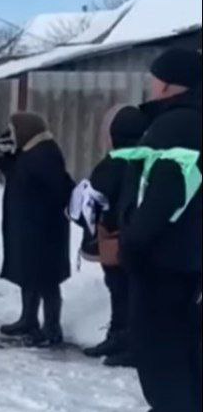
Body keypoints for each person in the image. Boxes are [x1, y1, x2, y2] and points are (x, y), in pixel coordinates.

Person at [114, 47, 201, 412]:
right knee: (184, 329)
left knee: (156, 332)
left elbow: (165, 191)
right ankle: (188, 405)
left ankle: (171, 411)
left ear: (166, 83)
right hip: (188, 251)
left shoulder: (175, 126)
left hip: (165, 251)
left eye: (154, 78)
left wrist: (135, 240)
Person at [71, 106, 147, 366]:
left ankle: (122, 339)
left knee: (119, 289)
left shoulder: (112, 163)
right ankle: (128, 340)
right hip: (144, 237)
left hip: (113, 237)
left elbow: (90, 203)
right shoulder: (151, 159)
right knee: (136, 290)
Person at [0, 112, 75, 348]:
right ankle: (28, 319)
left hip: (44, 229)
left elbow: (58, 190)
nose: (11, 134)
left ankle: (52, 328)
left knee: (47, 279)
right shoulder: (29, 152)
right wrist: (3, 152)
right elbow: (13, 171)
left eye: (13, 130)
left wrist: (40, 213)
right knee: (28, 274)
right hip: (28, 226)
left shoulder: (45, 154)